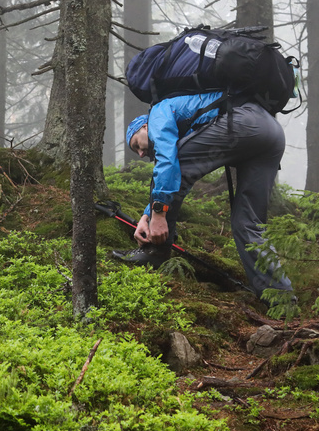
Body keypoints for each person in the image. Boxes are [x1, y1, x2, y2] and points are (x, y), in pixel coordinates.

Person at [116, 91, 293, 297]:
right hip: (271, 132)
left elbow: (169, 166)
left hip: (242, 122)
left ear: (145, 127)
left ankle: (155, 251)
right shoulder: (185, 125)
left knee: (172, 167)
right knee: (248, 223)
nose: (140, 154)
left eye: (136, 144)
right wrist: (147, 215)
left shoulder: (158, 113)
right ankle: (280, 297)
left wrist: (158, 213)